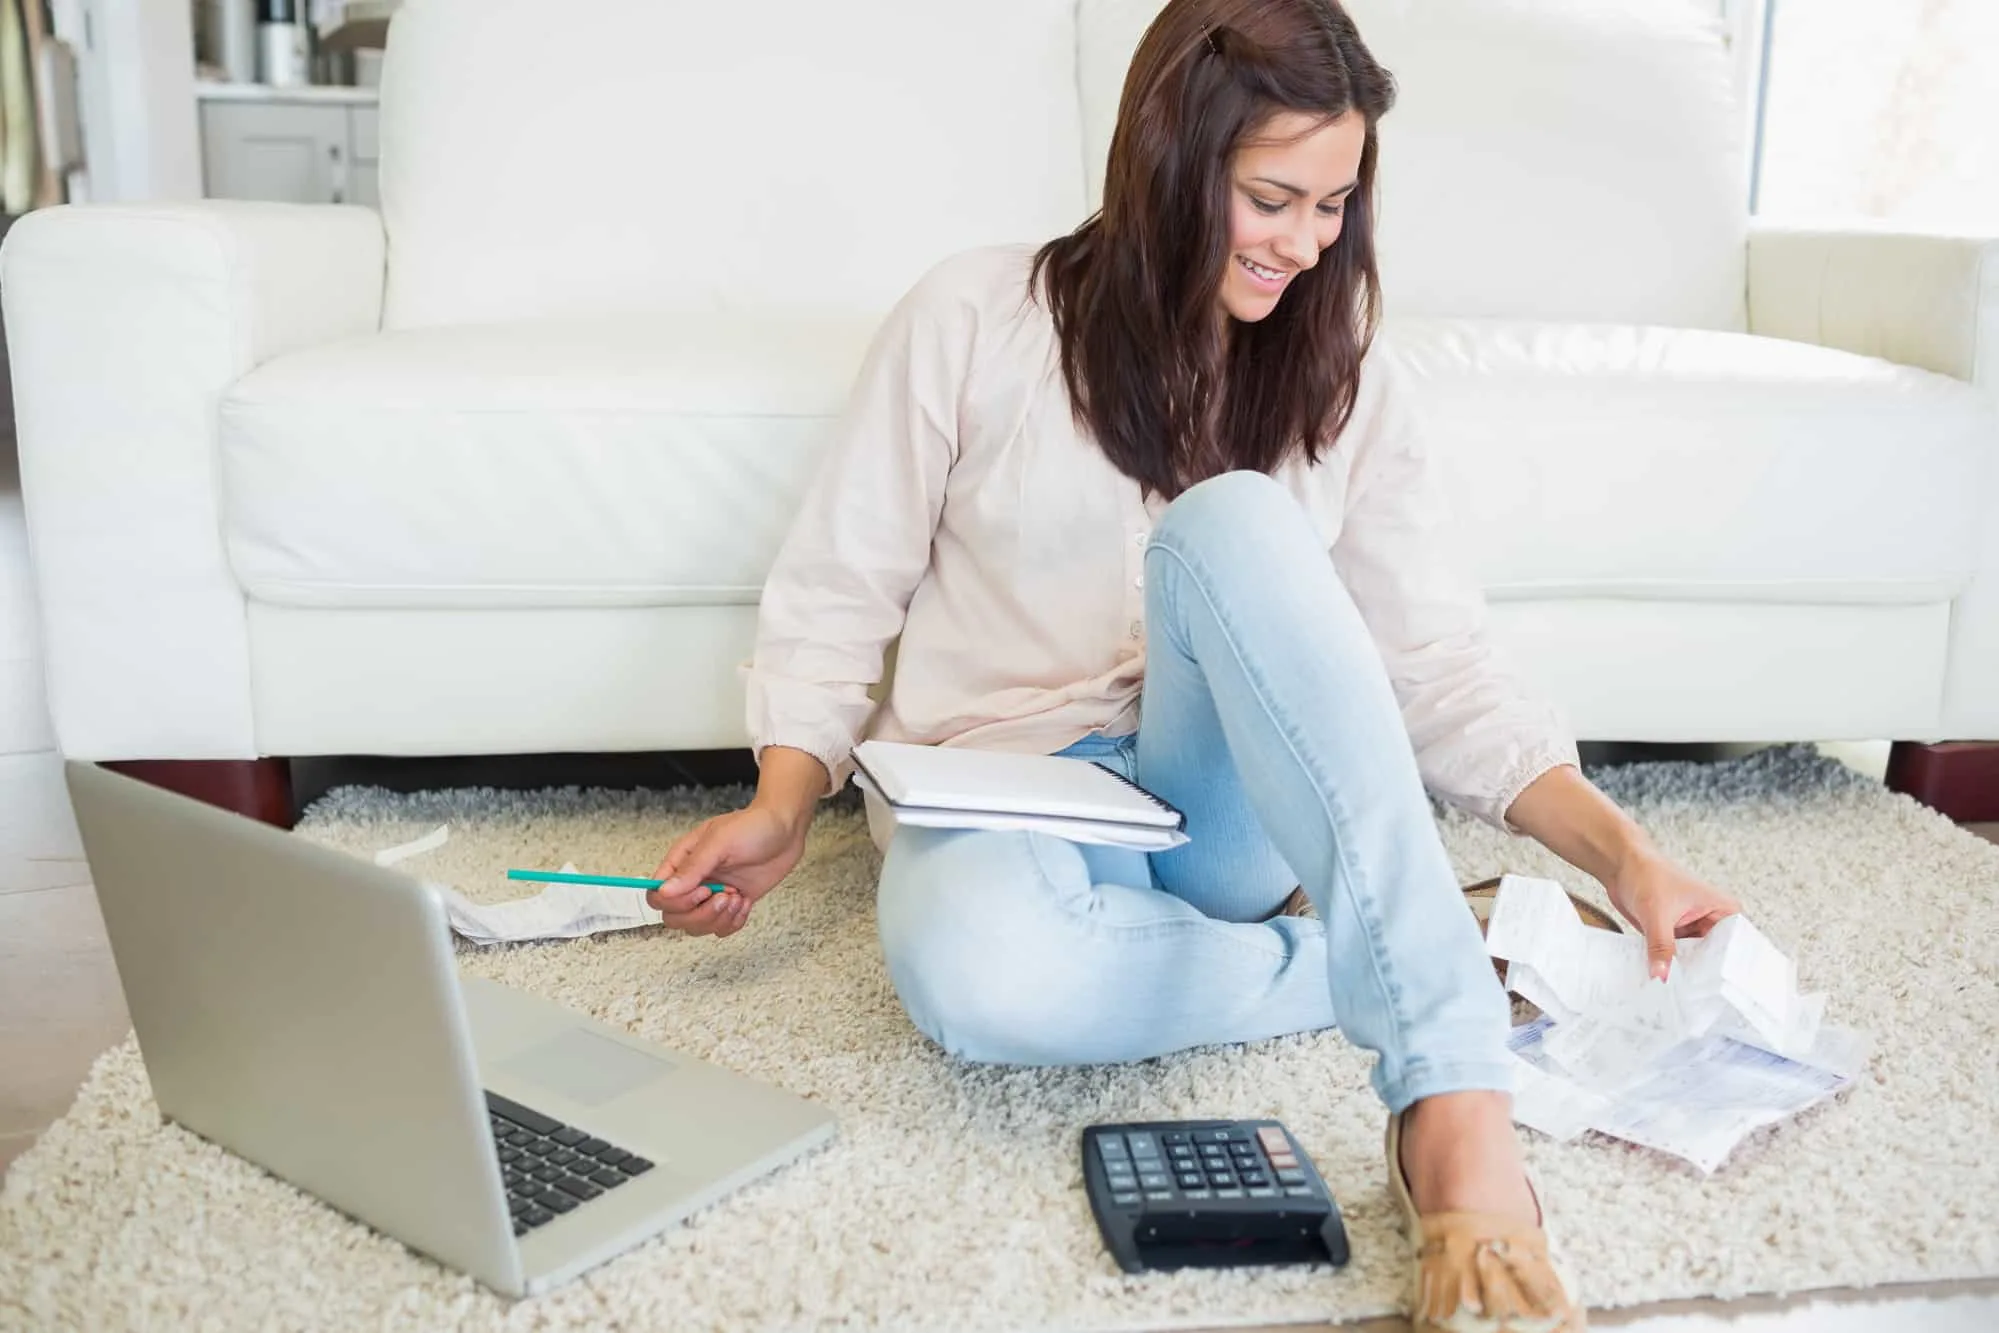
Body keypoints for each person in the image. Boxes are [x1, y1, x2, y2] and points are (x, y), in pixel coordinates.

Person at [647, 1, 1738, 1328]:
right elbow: (836, 592)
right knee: (982, 984)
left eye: (1334, 204)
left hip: (1219, 821)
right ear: (1170, 160)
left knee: (1231, 518)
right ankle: (1422, 939)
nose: (1304, 242)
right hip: (1003, 797)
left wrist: (1618, 852)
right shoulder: (972, 317)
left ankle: (1449, 1090)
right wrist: (778, 803)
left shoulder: (1349, 383)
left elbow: (1435, 664)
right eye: (1271, 197)